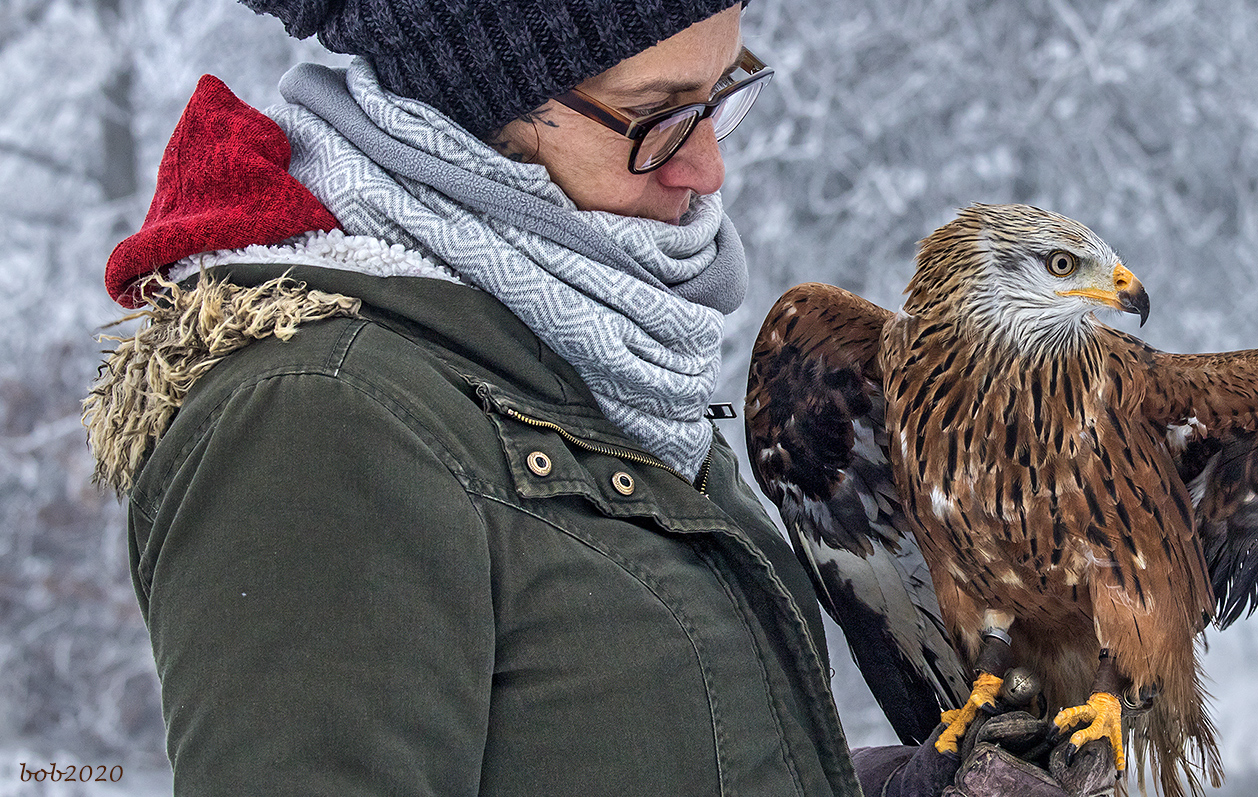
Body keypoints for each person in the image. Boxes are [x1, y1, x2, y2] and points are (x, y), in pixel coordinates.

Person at [81, 0, 1110, 794]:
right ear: (478, 104)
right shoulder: (323, 423)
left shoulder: (597, 355)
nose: (708, 167)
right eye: (660, 119)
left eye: (724, 93)